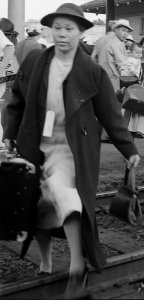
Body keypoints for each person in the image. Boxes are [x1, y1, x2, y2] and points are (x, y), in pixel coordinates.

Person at [2, 3, 140, 297]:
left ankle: (78, 265)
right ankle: (47, 261)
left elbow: (110, 114)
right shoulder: (37, 61)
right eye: (57, 28)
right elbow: (16, 99)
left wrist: (129, 148)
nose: (62, 34)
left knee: (67, 199)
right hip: (37, 145)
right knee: (37, 207)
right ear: (50, 31)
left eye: (69, 29)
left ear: (80, 33)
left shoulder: (91, 70)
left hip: (72, 149)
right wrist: (10, 135)